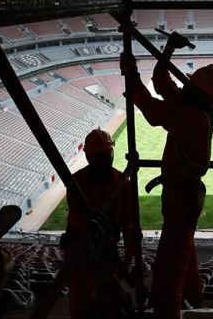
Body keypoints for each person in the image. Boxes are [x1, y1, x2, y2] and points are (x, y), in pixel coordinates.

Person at [121, 32, 213, 319]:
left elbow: (152, 109)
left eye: (191, 82)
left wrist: (131, 76)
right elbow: (161, 82)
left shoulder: (192, 115)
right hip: (182, 196)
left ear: (200, 91)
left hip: (181, 198)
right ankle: (195, 292)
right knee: (183, 250)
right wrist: (168, 48)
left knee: (167, 273)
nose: (185, 84)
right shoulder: (193, 106)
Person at [63, 128, 136, 319]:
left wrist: (127, 262)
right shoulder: (77, 183)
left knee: (111, 300)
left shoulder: (121, 183)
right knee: (83, 305)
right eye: (98, 157)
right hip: (82, 250)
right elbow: (81, 222)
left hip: (105, 250)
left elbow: (130, 226)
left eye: (105, 155)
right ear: (88, 158)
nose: (103, 160)